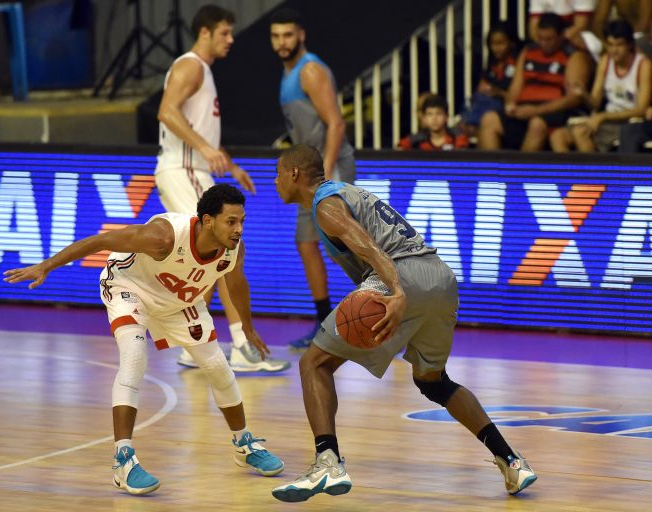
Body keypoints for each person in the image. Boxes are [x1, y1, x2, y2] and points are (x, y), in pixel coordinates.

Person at [269, 144, 537, 503]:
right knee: (433, 382)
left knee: (313, 363)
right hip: (439, 278)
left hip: (399, 277)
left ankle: (327, 462)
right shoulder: (346, 192)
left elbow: (367, 246)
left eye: (278, 174)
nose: (275, 181)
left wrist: (397, 291)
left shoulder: (325, 204)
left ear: (294, 174)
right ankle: (512, 461)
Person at [3, 184, 285, 496]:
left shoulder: (233, 248)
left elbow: (237, 284)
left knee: (218, 366)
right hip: (129, 286)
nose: (239, 229)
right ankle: (123, 461)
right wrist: (45, 266)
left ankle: (244, 444)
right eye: (231, 221)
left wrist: (247, 328)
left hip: (177, 299)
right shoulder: (163, 236)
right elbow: (101, 240)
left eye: (242, 221)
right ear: (207, 220)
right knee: (135, 358)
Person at [156, 5, 289, 372]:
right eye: (224, 33)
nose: (231, 39)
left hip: (191, 169)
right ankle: (243, 346)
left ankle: (193, 344)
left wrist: (230, 166)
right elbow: (166, 111)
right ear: (205, 33)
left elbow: (202, 132)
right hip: (184, 169)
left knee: (213, 256)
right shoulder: (191, 66)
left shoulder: (204, 71)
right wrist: (205, 149)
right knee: (229, 250)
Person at [269, 7, 356, 350]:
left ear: (301, 35)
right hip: (309, 172)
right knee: (306, 243)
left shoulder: (310, 70)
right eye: (276, 36)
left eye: (288, 35)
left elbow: (336, 123)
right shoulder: (288, 71)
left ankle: (391, 310)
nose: (282, 42)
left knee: (347, 247)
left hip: (327, 169)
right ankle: (324, 323)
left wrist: (326, 173)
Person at [478, 13, 593, 152]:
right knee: (489, 119)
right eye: (540, 38)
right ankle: (492, 166)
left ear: (561, 36)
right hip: (524, 110)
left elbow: (574, 98)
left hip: (554, 112)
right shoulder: (528, 51)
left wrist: (535, 111)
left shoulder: (574, 56)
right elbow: (516, 87)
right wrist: (511, 105)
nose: (543, 43)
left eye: (549, 39)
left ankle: (522, 166)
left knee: (537, 124)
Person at [551, 19, 651, 152]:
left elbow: (641, 110)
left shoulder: (643, 66)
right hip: (606, 119)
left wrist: (603, 116)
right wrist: (583, 93)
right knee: (558, 136)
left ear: (629, 45)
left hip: (629, 122)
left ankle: (594, 166)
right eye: (610, 45)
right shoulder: (605, 61)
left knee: (581, 134)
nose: (614, 50)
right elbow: (595, 103)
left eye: (619, 45)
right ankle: (571, 167)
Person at [460, 23, 521, 137]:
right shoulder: (491, 64)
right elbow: (482, 85)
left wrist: (498, 92)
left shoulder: (518, 64)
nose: (496, 48)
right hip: (484, 103)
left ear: (511, 43)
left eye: (500, 43)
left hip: (503, 106)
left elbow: (516, 95)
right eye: (493, 44)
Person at [529, 0, 601, 58]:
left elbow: (581, 25)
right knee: (529, 51)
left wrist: (557, 40)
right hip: (554, 39)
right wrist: (547, 41)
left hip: (571, 41)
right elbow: (534, 30)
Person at [399, 94, 470, 150]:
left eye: (439, 113)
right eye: (429, 114)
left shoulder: (458, 138)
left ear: (446, 117)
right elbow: (399, 151)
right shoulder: (414, 141)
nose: (434, 118)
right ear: (424, 118)